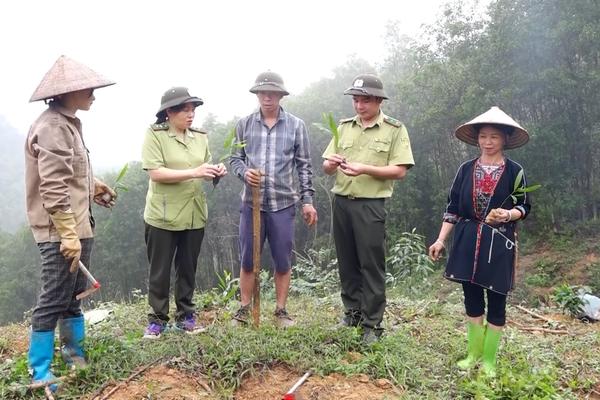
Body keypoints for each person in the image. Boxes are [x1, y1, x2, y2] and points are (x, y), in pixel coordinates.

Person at [25, 55, 117, 390]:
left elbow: (69, 173)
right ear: (66, 93)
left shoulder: (70, 124)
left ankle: (74, 357)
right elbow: (51, 185)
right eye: (86, 88)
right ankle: (40, 371)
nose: (93, 93)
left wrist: (94, 186)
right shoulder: (51, 127)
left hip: (79, 225)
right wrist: (67, 235)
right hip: (60, 231)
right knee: (53, 297)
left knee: (73, 295)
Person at [428, 106, 531, 377]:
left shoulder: (515, 171)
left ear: (505, 139)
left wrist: (508, 214)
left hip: (499, 243)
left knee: (497, 300)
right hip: (467, 239)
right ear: (477, 139)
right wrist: (440, 240)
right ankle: (473, 353)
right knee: (471, 299)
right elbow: (452, 209)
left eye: (494, 137)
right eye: (483, 136)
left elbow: (524, 206)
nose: (487, 142)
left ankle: (489, 360)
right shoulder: (465, 169)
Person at [322, 74, 414, 344]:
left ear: (378, 101)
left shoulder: (394, 129)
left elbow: (399, 171)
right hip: (341, 202)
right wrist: (331, 164)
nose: (359, 106)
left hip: (370, 205)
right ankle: (352, 314)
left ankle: (372, 324)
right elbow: (327, 166)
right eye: (355, 100)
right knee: (347, 262)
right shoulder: (344, 127)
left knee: (371, 265)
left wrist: (364, 168)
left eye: (364, 101)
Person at [230, 71, 318, 328]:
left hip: (283, 203)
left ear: (280, 95)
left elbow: (304, 166)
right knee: (248, 259)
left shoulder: (296, 126)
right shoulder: (244, 125)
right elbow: (235, 159)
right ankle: (245, 309)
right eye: (262, 92)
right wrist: (245, 173)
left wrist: (308, 200)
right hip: (251, 204)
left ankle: (280, 311)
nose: (267, 97)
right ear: (257, 94)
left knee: (282, 259)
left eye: (272, 92)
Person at [141, 87, 227, 339]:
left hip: (193, 212)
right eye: (185, 110)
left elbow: (205, 166)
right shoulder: (155, 135)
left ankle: (186, 316)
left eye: (193, 110)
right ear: (169, 112)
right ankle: (157, 320)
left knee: (188, 268)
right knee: (160, 270)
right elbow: (155, 172)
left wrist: (215, 170)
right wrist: (196, 172)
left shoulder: (200, 137)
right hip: (163, 215)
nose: (191, 115)